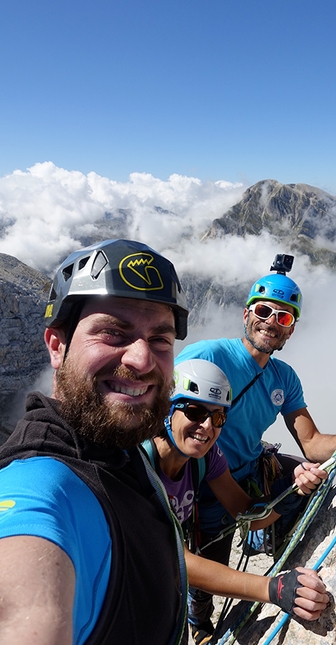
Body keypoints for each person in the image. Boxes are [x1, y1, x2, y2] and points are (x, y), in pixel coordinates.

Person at [0, 239, 191, 645]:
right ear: (57, 346)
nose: (142, 359)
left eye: (161, 339)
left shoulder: (116, 446)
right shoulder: (40, 487)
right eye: (112, 333)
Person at [176, 254, 336, 641]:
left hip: (250, 466)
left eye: (283, 318)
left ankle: (285, 557)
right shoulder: (209, 356)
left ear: (291, 330)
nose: (271, 323)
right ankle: (199, 622)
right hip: (208, 477)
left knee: (311, 488)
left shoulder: (284, 377)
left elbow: (312, 443)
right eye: (264, 311)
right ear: (247, 314)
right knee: (211, 556)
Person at [142, 358, 330, 645]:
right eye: (194, 411)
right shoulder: (139, 465)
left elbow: (245, 512)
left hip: (163, 587)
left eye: (218, 417)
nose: (206, 427)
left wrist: (292, 492)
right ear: (167, 410)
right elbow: (180, 560)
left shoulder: (207, 456)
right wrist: (272, 589)